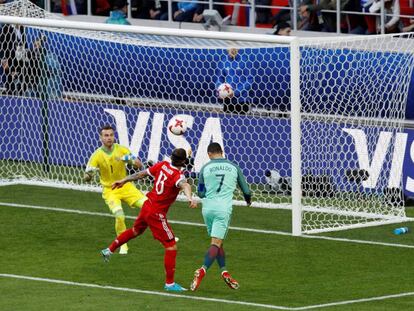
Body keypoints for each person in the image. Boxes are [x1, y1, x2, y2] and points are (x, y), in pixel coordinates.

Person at [101, 148, 197, 292]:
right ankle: (170, 284)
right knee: (171, 245)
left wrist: (124, 180)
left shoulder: (162, 165)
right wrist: (190, 197)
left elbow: (141, 174)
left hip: (147, 205)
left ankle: (109, 250)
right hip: (157, 213)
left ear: (171, 158)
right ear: (183, 161)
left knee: (135, 231)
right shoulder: (177, 175)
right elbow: (186, 185)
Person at [190, 142, 252, 291]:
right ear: (222, 152)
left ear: (209, 154)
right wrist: (248, 201)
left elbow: (201, 193)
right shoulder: (233, 167)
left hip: (207, 209)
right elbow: (246, 190)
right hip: (223, 210)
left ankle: (224, 272)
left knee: (217, 242)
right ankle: (202, 270)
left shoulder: (205, 168)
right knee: (216, 243)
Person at [84, 125, 147, 255]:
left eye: (111, 135)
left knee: (150, 207)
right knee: (120, 216)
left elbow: (138, 164)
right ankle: (123, 245)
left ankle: (166, 236)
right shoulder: (96, 155)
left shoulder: (121, 149)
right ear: (100, 137)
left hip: (126, 186)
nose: (109, 138)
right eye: (106, 135)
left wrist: (128, 160)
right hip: (110, 190)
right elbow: (86, 178)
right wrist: (89, 174)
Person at [215, 48, 253, 115]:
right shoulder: (223, 61)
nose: (232, 49)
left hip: (242, 101)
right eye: (230, 47)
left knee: (241, 123)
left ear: (238, 48)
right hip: (227, 100)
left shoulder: (245, 61)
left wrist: (235, 93)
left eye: (235, 47)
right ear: (227, 48)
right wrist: (219, 90)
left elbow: (249, 81)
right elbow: (219, 78)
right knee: (227, 122)